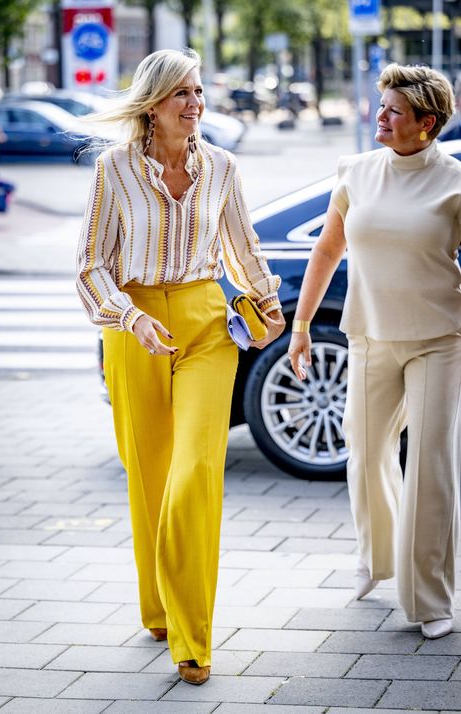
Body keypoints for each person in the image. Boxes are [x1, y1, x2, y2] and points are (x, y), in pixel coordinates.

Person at [76, 48, 284, 684]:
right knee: (150, 477)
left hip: (203, 325)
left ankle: (193, 637)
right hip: (135, 328)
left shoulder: (221, 166)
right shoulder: (113, 170)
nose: (196, 104)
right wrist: (130, 318)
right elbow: (91, 264)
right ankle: (158, 606)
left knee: (194, 471)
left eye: (198, 93)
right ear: (152, 105)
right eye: (182, 95)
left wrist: (273, 311)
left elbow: (243, 247)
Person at [288, 63, 461, 640]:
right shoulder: (356, 172)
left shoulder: (455, 181)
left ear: (425, 124)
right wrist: (302, 324)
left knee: (429, 468)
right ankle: (377, 557)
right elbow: (327, 250)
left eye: (392, 111)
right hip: (368, 335)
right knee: (362, 453)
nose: (378, 117)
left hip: (439, 340)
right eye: (380, 106)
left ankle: (430, 598)